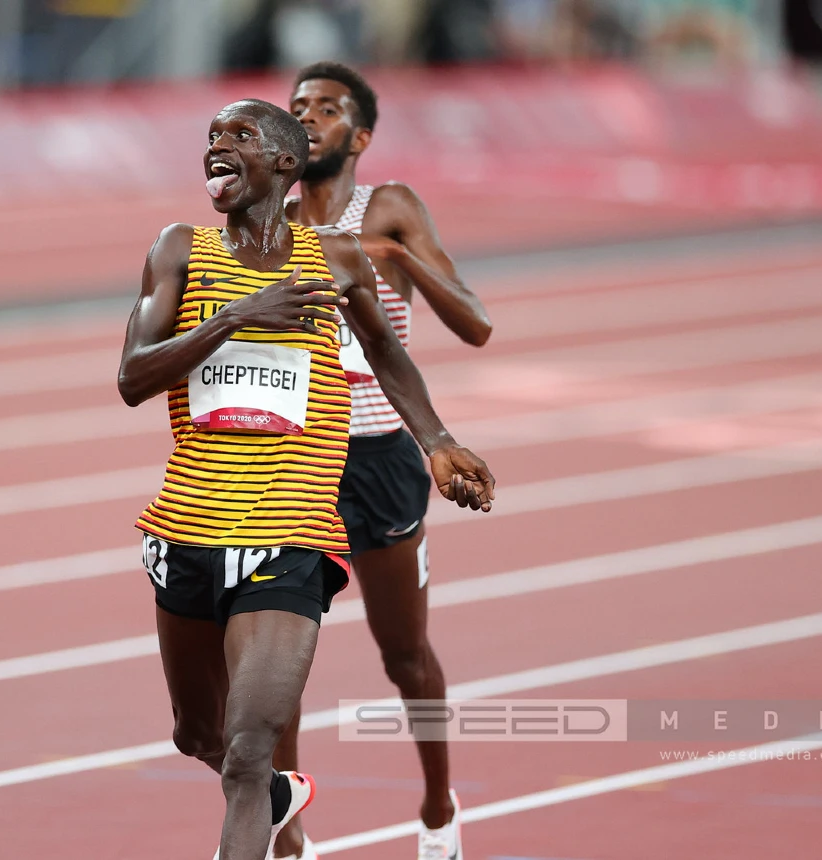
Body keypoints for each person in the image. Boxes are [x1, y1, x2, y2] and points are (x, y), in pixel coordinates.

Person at [115, 98, 495, 860]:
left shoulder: (338, 258)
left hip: (292, 533)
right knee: (199, 733)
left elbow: (387, 353)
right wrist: (235, 317)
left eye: (240, 136)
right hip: (188, 526)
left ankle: (285, 806)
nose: (217, 147)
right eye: (212, 137)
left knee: (252, 752)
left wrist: (439, 441)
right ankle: (275, 796)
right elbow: (131, 377)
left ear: (287, 164)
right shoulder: (179, 250)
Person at [272, 61, 495, 860]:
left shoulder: (390, 207)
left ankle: (438, 806)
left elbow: (474, 323)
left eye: (326, 108)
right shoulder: (269, 217)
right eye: (297, 106)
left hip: (383, 458)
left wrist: (393, 259)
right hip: (300, 460)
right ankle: (285, 828)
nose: (307, 118)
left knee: (404, 654)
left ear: (359, 136)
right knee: (281, 653)